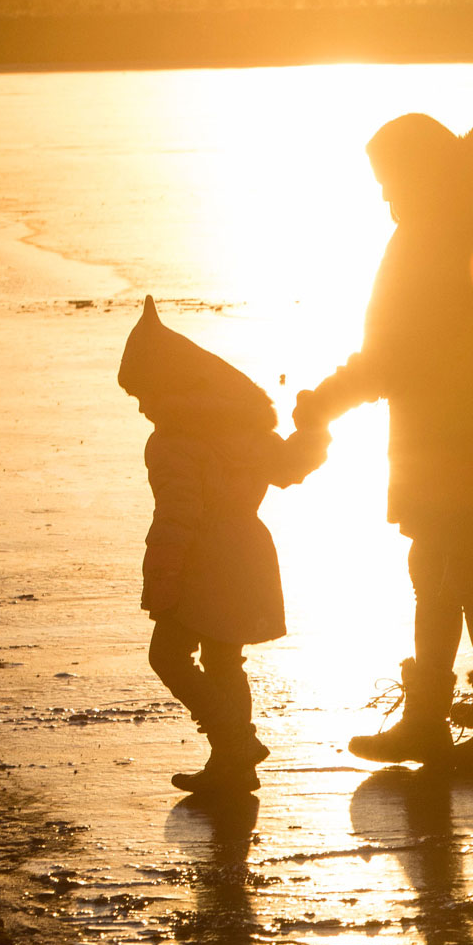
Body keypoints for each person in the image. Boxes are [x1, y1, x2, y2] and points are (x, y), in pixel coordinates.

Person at [306, 114, 473, 773]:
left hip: (464, 439)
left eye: (391, 182)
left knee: (466, 571)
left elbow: (398, 352)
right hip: (464, 434)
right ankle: (432, 719)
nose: (386, 198)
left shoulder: (440, 234)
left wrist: (325, 402)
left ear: (421, 171)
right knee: (437, 569)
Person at [119, 296, 330, 795]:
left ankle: (234, 741)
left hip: (201, 563)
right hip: (248, 554)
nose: (144, 406)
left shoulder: (172, 442)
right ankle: (235, 765)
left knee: (167, 656)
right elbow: (289, 468)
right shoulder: (241, 426)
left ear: (169, 386)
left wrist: (164, 584)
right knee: (223, 659)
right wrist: (315, 430)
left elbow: (177, 518)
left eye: (144, 394)